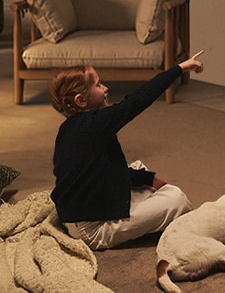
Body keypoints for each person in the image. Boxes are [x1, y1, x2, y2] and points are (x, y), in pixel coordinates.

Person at [49, 50, 205, 250]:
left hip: (79, 213)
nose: (105, 88)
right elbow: (137, 100)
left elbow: (101, 170)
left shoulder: (70, 127)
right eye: (97, 85)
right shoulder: (95, 124)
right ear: (81, 101)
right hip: (92, 230)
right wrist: (180, 69)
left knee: (137, 168)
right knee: (178, 200)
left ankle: (143, 199)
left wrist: (148, 179)